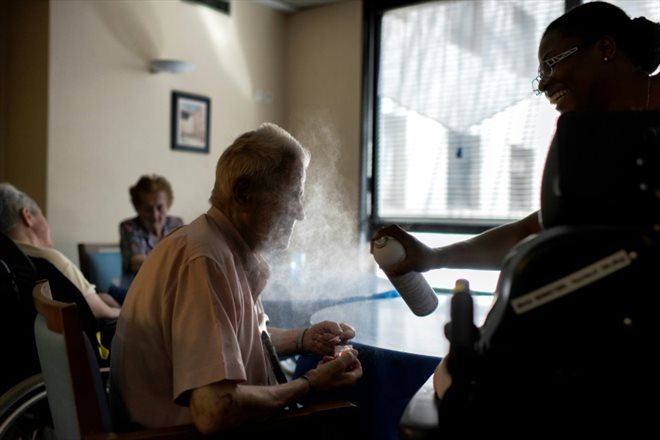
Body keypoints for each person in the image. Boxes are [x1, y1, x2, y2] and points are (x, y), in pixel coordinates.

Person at [371, 1, 660, 398]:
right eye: (539, 73)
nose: (543, 83)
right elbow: (535, 231)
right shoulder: (592, 143)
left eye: (551, 64)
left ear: (606, 49)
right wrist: (432, 257)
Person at [110, 123, 362, 435]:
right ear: (244, 194)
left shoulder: (219, 245)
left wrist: (305, 338)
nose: (301, 212)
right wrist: (309, 384)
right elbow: (216, 409)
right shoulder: (205, 260)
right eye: (293, 194)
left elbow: (241, 340)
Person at [0, 182, 121, 319]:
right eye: (42, 215)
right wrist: (121, 311)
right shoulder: (49, 260)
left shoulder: (6, 260)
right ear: (27, 216)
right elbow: (100, 312)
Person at [119, 174, 183, 277]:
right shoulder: (129, 227)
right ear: (138, 208)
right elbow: (136, 262)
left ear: (168, 204)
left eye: (160, 207)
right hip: (136, 288)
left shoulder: (176, 224)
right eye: (148, 209)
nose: (155, 215)